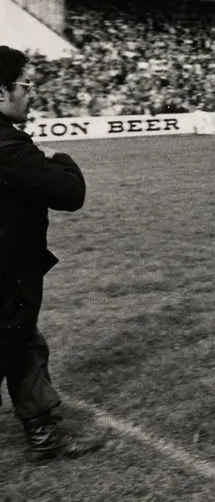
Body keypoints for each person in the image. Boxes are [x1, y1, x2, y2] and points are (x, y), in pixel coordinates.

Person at [0, 45, 102, 463]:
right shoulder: (9, 147)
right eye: (25, 85)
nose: (31, 94)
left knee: (24, 345)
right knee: (16, 344)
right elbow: (68, 193)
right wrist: (60, 158)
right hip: (9, 271)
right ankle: (43, 435)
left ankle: (43, 435)